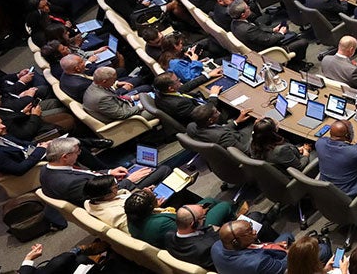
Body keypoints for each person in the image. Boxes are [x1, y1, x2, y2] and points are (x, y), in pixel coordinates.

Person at [39, 136, 171, 204]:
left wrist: (109, 173)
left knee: (133, 166)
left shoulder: (47, 169)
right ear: (65, 157)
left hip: (105, 184)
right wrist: (130, 180)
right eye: (76, 151)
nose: (79, 153)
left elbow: (86, 174)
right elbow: (101, 197)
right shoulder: (70, 183)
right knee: (163, 169)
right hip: (112, 196)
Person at [125, 188, 236, 248]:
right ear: (150, 208)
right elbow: (187, 227)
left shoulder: (132, 219)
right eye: (154, 198)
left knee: (209, 200)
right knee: (224, 206)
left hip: (186, 224)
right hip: (197, 230)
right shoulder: (161, 224)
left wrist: (156, 206)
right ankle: (236, 223)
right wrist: (200, 214)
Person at [211, 220, 318, 274]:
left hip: (259, 253)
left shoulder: (217, 247)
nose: (254, 231)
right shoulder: (258, 262)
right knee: (320, 249)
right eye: (250, 231)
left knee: (287, 235)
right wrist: (294, 249)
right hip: (277, 267)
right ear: (236, 242)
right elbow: (284, 265)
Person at [314, 119, 357, 196]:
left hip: (325, 191)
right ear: (347, 135)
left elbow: (325, 139)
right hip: (348, 195)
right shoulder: (355, 152)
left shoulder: (319, 143)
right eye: (351, 130)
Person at [187, 102, 253, 152]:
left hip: (231, 136)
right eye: (216, 112)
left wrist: (237, 121)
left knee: (247, 121)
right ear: (210, 120)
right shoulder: (222, 137)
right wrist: (257, 130)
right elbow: (245, 150)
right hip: (244, 143)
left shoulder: (191, 126)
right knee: (254, 122)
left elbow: (218, 129)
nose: (219, 113)